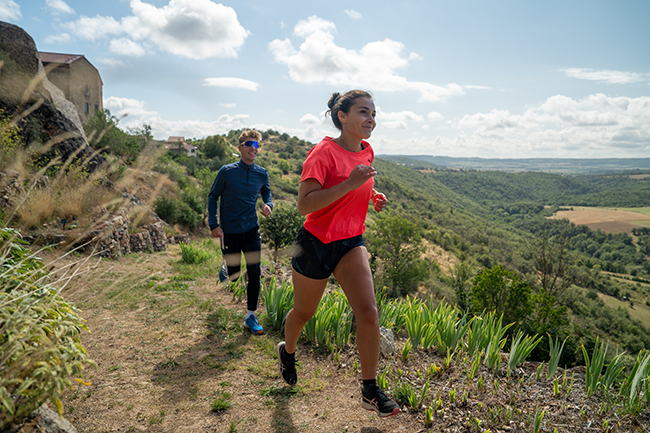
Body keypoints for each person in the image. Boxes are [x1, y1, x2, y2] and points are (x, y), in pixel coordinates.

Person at [276, 90, 400, 417]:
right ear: (342, 116)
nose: (371, 118)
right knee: (303, 314)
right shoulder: (323, 152)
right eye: (363, 112)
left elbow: (359, 184)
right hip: (316, 243)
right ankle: (287, 352)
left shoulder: (367, 151)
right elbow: (305, 204)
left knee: (369, 312)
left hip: (350, 241)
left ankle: (369, 389)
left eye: (374, 113)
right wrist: (349, 185)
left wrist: (372, 196)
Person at [207, 130, 273, 335]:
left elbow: (267, 192)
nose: (254, 148)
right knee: (234, 276)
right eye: (250, 144)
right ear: (240, 147)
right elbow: (212, 196)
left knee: (255, 273)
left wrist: (268, 204)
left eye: (257, 145)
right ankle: (227, 267)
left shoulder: (261, 173)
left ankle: (250, 316)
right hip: (230, 232)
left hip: (252, 230)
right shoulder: (226, 172)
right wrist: (213, 224)